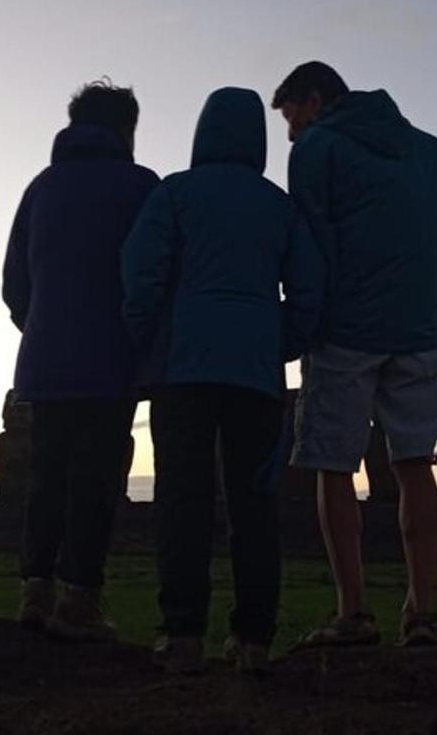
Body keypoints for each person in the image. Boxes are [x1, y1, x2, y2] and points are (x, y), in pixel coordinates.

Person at [121, 87, 324, 673]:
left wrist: (147, 339)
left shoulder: (175, 193)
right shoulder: (279, 206)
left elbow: (140, 273)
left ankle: (182, 634)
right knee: (254, 504)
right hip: (256, 374)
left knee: (181, 499)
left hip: (183, 368)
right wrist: (276, 341)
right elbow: (309, 292)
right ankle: (253, 638)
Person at [272, 61, 437, 648]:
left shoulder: (318, 149)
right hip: (421, 329)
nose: (290, 132)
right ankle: (421, 611)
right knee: (415, 465)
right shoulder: (432, 151)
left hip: (345, 331)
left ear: (314, 100)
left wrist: (305, 325)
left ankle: (353, 611)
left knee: (332, 464)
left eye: (292, 116)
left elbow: (311, 244)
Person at [2, 79, 159, 641]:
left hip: (45, 359)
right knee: (95, 481)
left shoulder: (41, 188)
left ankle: (34, 591)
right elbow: (157, 274)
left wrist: (42, 326)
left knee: (46, 478)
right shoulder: (142, 187)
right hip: (111, 360)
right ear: (125, 130)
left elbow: (13, 284)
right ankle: (79, 600)